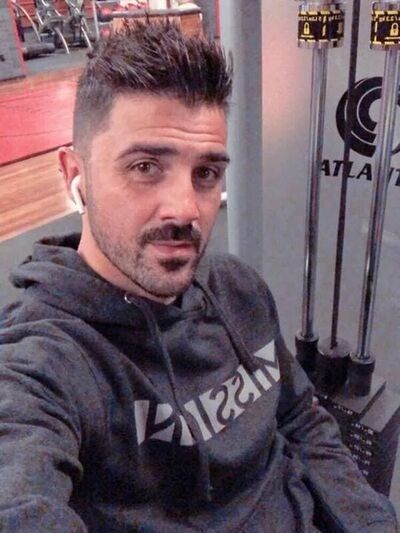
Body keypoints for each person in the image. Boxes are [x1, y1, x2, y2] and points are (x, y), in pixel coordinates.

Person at [0, 21, 397, 533]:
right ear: (75, 175)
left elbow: (299, 417)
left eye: (206, 173)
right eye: (146, 167)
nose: (186, 208)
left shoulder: (238, 288)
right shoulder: (42, 362)